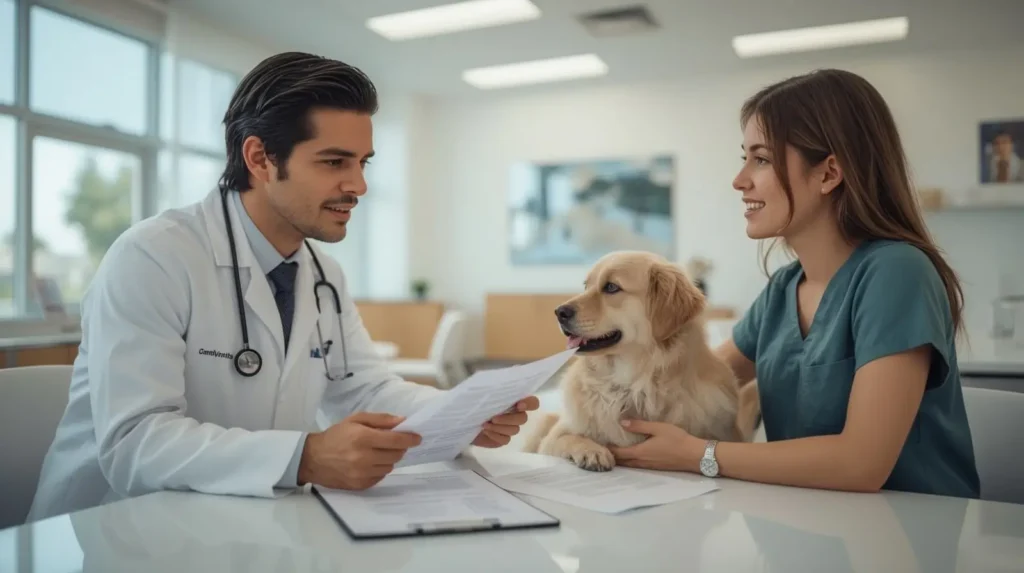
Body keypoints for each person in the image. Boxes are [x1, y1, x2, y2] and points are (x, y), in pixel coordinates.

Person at [27, 51, 538, 521]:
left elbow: (364, 387)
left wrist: (461, 412)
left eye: (363, 163)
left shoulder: (323, 276)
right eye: (335, 162)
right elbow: (135, 443)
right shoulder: (154, 257)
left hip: (241, 523)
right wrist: (305, 456)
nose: (359, 185)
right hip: (108, 529)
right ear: (260, 158)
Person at [609, 69, 980, 499]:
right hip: (809, 523)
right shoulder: (784, 289)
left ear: (828, 174)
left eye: (761, 159)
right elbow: (693, 381)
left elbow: (861, 464)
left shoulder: (898, 273)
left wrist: (699, 454)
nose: (739, 179)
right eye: (743, 157)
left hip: (912, 538)